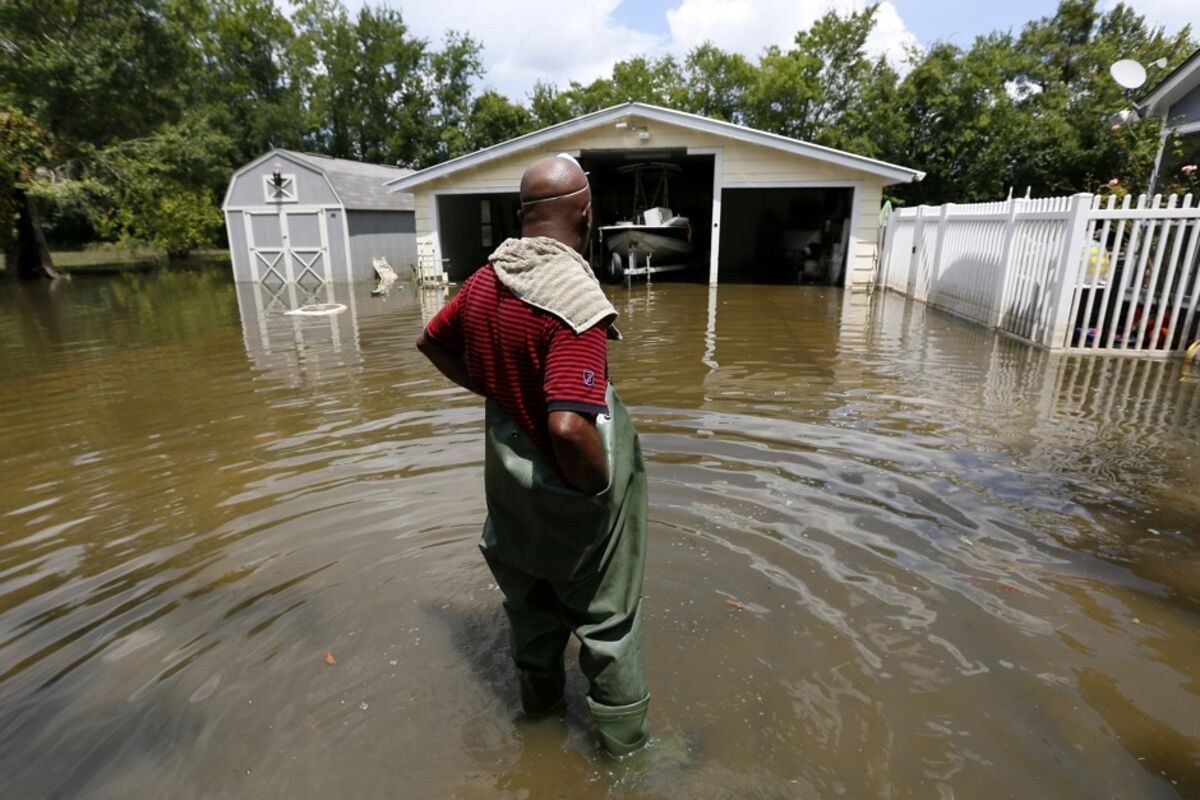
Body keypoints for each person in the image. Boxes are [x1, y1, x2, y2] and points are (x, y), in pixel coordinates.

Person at [416, 154, 650, 757]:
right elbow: (570, 427)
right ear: (584, 210)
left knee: (531, 608)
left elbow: (431, 342)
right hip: (568, 483)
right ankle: (631, 755)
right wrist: (598, 492)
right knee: (608, 623)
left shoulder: (486, 282)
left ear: (524, 216)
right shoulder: (573, 298)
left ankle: (541, 726)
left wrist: (496, 389)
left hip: (510, 488)